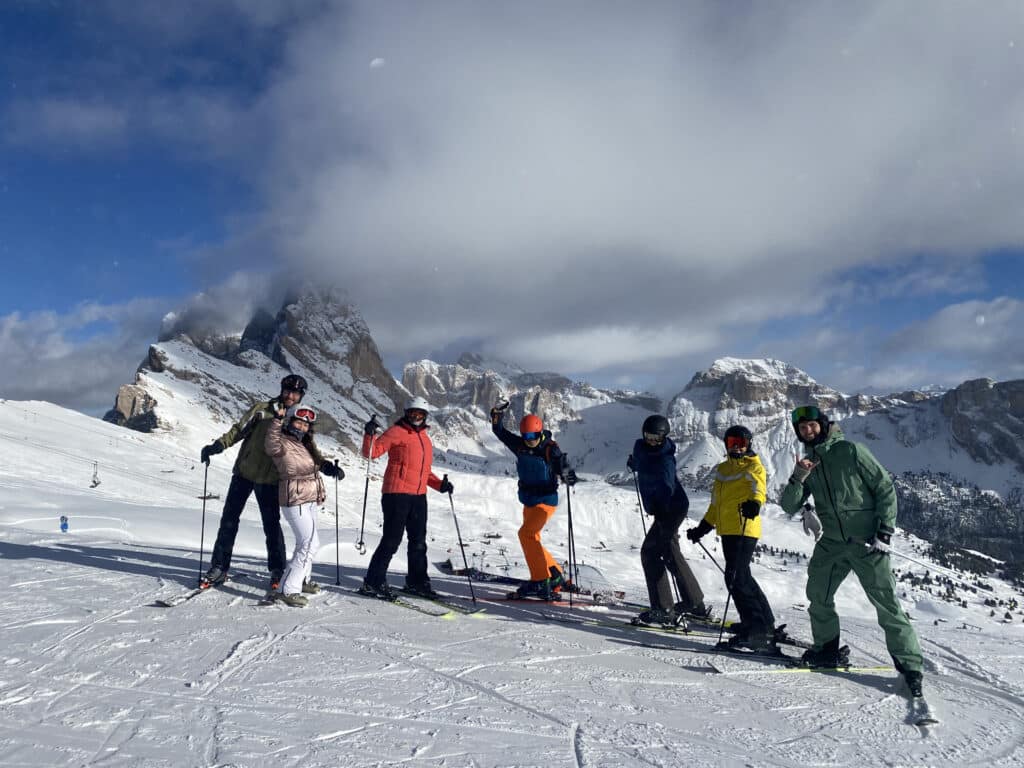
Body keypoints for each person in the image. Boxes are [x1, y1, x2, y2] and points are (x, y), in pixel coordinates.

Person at [780, 405, 925, 697]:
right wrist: (798, 478)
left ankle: (910, 667)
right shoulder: (809, 462)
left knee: (886, 603)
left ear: (822, 424)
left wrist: (884, 530)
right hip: (832, 541)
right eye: (802, 428)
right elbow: (788, 505)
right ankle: (826, 650)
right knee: (818, 595)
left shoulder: (851, 451)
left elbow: (884, 487)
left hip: (866, 541)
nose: (807, 431)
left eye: (811, 425)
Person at [200, 374, 340, 589]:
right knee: (229, 520)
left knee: (271, 526)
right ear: (281, 389)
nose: (290, 396)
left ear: (301, 395)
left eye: (295, 393)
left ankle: (277, 570)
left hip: (272, 481)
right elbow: (239, 429)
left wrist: (326, 466)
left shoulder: (297, 417)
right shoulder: (262, 409)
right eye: (287, 390)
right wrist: (218, 446)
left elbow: (309, 449)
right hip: (244, 473)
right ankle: (219, 567)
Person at [686, 425, 776, 650]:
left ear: (749, 444)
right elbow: (716, 504)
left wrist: (755, 504)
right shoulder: (723, 469)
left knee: (735, 577)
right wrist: (702, 528)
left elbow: (758, 490)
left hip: (745, 528)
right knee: (741, 576)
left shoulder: (753, 465)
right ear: (726, 444)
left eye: (741, 443)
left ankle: (757, 631)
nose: (736, 447)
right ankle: (764, 624)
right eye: (732, 442)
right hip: (727, 530)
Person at [358, 397, 452, 600]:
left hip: (419, 498)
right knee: (392, 540)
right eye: (412, 413)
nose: (416, 417)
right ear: (406, 413)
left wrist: (440, 485)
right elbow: (371, 452)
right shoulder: (396, 431)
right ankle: (373, 582)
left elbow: (423, 472)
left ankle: (417, 582)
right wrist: (369, 434)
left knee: (418, 542)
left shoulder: (425, 439)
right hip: (396, 495)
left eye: (420, 414)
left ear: (425, 416)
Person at [490, 402, 577, 600]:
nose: (530, 441)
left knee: (526, 534)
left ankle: (540, 581)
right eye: (527, 437)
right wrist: (497, 417)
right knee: (532, 537)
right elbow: (501, 433)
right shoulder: (520, 445)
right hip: (528, 500)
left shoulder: (550, 449)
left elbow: (563, 467)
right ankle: (554, 574)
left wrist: (567, 474)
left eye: (534, 436)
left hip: (546, 501)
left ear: (540, 433)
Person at [628, 414, 708, 626]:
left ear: (664, 438)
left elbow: (666, 485)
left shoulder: (665, 459)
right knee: (669, 550)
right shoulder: (642, 448)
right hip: (668, 507)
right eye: (649, 436)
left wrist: (659, 506)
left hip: (671, 508)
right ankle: (694, 602)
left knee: (650, 552)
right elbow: (642, 461)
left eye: (657, 438)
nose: (652, 441)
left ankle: (663, 609)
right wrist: (634, 464)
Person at [264, 404, 337, 606]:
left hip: (310, 497)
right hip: (295, 497)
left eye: (306, 424)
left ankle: (302, 579)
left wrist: (328, 467)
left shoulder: (304, 443)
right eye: (298, 421)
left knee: (306, 542)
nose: (302, 426)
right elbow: (270, 446)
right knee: (309, 543)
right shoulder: (281, 441)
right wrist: (276, 420)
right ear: (289, 421)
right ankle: (287, 590)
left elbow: (314, 464)